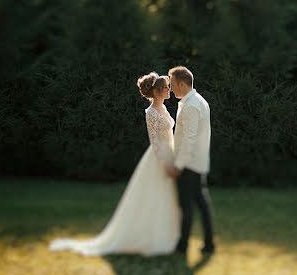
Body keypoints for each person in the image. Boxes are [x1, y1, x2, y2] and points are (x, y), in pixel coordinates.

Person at [49, 72, 180, 255]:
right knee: (156, 195)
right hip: (159, 157)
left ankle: (169, 235)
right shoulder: (151, 113)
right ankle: (151, 237)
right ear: (157, 91)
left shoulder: (164, 109)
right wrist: (164, 163)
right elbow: (155, 141)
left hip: (171, 152)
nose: (169, 89)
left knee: (169, 196)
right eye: (166, 87)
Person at [168, 65, 215, 256]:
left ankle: (182, 247)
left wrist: (178, 166)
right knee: (202, 205)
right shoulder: (198, 101)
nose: (170, 89)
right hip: (198, 162)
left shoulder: (191, 106)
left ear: (181, 83)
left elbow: (189, 140)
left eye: (171, 84)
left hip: (189, 164)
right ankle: (209, 244)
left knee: (186, 207)